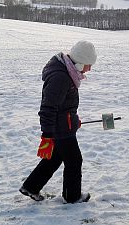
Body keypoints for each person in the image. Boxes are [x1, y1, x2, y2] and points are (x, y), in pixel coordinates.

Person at [19, 41, 97, 204]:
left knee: (55, 157)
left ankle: (31, 186)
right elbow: (48, 107)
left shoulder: (67, 72)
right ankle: (72, 197)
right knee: (74, 161)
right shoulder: (60, 77)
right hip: (60, 129)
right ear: (80, 62)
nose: (89, 69)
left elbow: (64, 107)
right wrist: (47, 136)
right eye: (88, 65)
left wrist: (74, 121)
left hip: (63, 125)